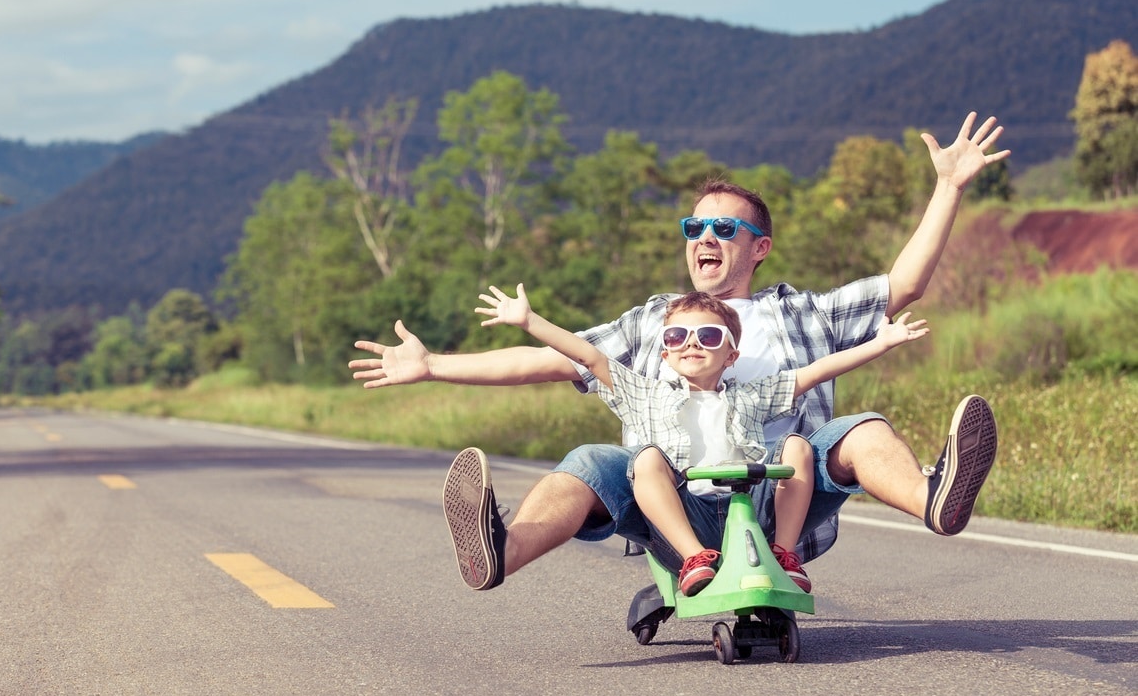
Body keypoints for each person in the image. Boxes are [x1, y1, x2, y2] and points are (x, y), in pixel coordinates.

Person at [351, 112, 1005, 593]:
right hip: (677, 501)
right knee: (590, 461)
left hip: (786, 499)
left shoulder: (804, 312)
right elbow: (557, 360)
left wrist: (948, 186)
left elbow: (905, 284)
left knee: (861, 430)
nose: (705, 236)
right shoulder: (656, 322)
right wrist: (433, 365)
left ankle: (934, 499)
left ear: (760, 247)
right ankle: (499, 548)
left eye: (725, 227)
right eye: (695, 227)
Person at [474, 283, 929, 595]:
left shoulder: (751, 396)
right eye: (678, 335)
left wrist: (880, 344)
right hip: (684, 520)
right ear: (666, 351)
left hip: (751, 512)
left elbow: (815, 373)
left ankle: (785, 556)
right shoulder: (644, 393)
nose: (692, 343)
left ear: (732, 354)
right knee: (648, 458)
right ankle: (695, 561)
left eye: (709, 336)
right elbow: (589, 357)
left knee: (796, 445)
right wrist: (530, 320)